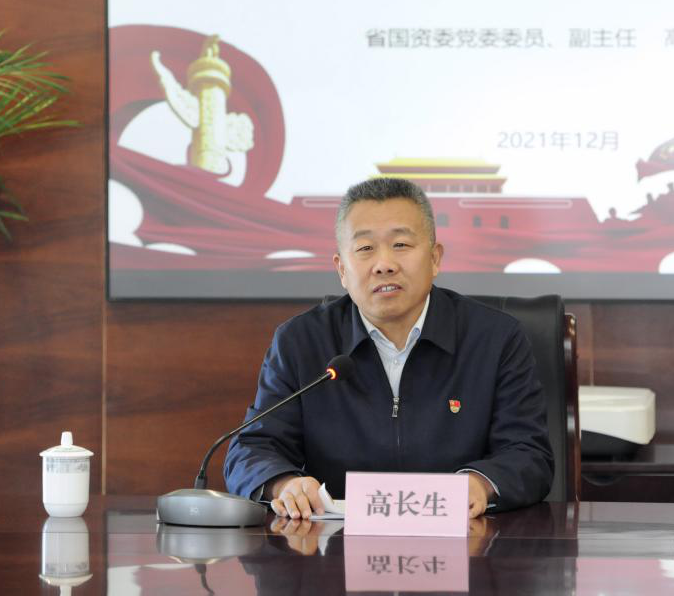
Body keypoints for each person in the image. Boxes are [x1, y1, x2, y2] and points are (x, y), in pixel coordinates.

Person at [223, 177, 553, 519]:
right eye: (365, 248)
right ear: (341, 269)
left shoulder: (495, 338)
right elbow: (252, 449)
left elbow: (529, 454)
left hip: (466, 538)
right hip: (335, 543)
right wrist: (284, 484)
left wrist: (481, 483)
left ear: (435, 258)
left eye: (400, 244)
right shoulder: (301, 342)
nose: (384, 264)